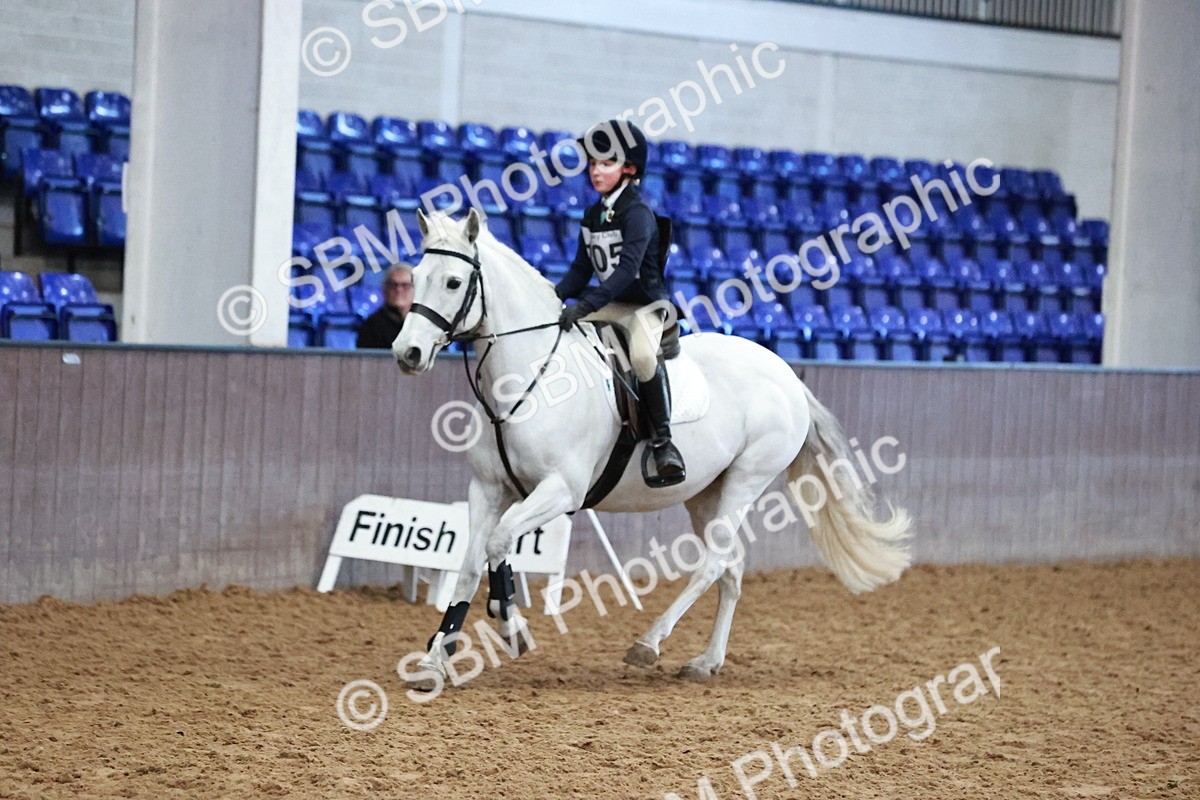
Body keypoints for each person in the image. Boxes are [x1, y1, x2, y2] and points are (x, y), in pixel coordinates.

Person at [554, 119, 685, 487]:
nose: (595, 171)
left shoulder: (638, 213)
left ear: (628, 169)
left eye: (605, 164)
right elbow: (581, 271)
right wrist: (554, 297)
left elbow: (626, 271)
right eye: (593, 164)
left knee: (642, 356)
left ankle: (663, 442)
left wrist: (586, 304)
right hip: (611, 303)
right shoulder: (592, 215)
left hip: (646, 306)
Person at [357, 264, 413, 349]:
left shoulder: (427, 325)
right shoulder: (371, 326)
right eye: (393, 285)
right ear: (385, 289)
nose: (399, 290)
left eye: (405, 285)